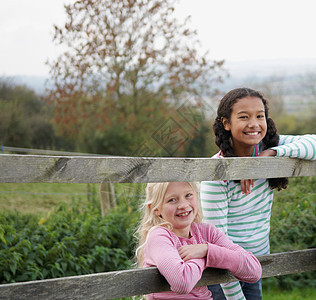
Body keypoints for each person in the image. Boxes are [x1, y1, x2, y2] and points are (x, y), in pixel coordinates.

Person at [200, 87, 316, 300]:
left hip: (255, 265)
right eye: (244, 117)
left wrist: (270, 155)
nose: (254, 123)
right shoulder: (216, 173)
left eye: (259, 116)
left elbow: (314, 142)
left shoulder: (268, 147)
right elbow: (217, 241)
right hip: (223, 274)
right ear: (226, 123)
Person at [135, 181, 262, 299]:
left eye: (188, 195)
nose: (183, 205)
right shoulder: (159, 236)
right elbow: (182, 283)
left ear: (196, 196)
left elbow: (254, 271)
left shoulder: (207, 232)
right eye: (172, 200)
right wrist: (206, 257)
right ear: (155, 209)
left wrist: (207, 250)